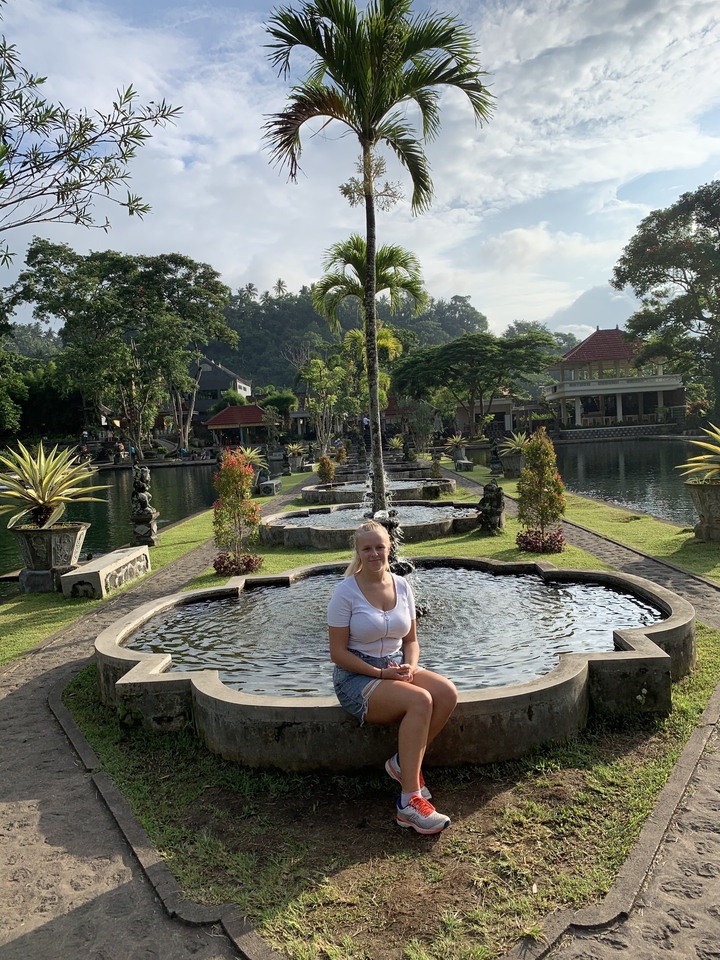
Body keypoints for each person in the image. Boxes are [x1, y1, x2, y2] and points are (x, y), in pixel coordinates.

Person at [327, 520, 458, 835]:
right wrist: (381, 673)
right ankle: (408, 803)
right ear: (358, 553)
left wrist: (410, 667)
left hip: (396, 667)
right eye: (367, 548)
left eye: (380, 547)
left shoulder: (402, 585)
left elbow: (411, 641)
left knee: (447, 693)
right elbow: (337, 653)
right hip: (357, 676)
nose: (374, 554)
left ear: (389, 548)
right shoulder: (346, 592)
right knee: (421, 700)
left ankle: (402, 764)